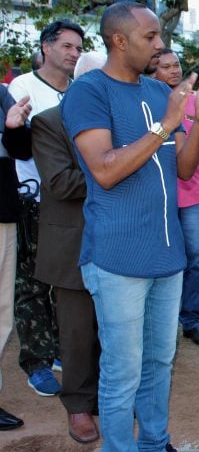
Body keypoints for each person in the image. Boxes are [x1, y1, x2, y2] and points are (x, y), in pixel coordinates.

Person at [61, 1, 199, 452]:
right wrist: (170, 122)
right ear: (119, 40)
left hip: (166, 258)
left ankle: (154, 442)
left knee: (159, 362)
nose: (158, 45)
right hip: (117, 258)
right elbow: (106, 171)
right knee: (123, 369)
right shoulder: (89, 92)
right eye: (150, 37)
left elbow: (185, 170)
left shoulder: (155, 92)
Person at [30, 51, 106, 444]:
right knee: (76, 334)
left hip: (117, 241)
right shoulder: (48, 123)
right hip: (72, 244)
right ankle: (78, 407)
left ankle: (106, 401)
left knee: (114, 330)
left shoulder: (118, 121)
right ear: (78, 84)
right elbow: (59, 182)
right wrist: (114, 169)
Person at [9, 19, 85, 397]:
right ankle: (36, 361)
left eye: (78, 48)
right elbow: (18, 143)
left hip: (76, 203)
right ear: (46, 47)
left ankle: (58, 348)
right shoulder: (22, 87)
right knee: (33, 283)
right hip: (37, 199)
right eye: (67, 46)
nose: (74, 53)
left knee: (69, 283)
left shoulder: (80, 90)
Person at [153, 48, 199, 347]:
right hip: (159, 197)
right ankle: (160, 323)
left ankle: (191, 320)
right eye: (166, 66)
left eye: (176, 65)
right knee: (164, 260)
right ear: (153, 71)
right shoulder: (150, 104)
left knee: (195, 258)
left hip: (193, 195)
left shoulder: (195, 102)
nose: (174, 71)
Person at [0, 87, 32, 430]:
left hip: (3, 214)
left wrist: (13, 127)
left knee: (1, 313)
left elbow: (21, 151)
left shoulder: (2, 95)